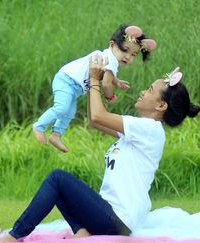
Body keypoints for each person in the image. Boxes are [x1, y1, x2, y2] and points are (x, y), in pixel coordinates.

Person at [0, 55, 200, 242]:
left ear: (161, 106)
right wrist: (90, 82)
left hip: (118, 220)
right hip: (112, 217)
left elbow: (97, 116)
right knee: (61, 188)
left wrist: (95, 80)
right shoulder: (141, 130)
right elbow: (95, 121)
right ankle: (81, 231)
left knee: (57, 179)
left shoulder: (149, 129)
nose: (143, 92)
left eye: (149, 91)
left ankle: (14, 235)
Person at [32, 24, 157, 153]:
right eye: (125, 50)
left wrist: (117, 82)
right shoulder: (111, 60)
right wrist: (110, 96)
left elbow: (108, 77)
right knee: (61, 108)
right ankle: (39, 127)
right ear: (112, 45)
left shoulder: (110, 59)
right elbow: (106, 83)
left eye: (133, 55)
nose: (128, 57)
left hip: (74, 88)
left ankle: (56, 135)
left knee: (69, 112)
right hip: (67, 81)